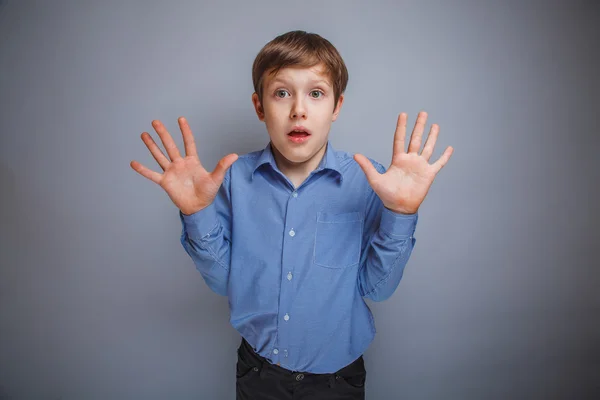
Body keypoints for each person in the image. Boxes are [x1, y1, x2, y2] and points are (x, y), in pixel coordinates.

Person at [130, 30, 453, 400]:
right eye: (282, 93)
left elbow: (378, 289)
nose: (299, 108)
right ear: (259, 106)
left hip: (337, 381)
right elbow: (225, 282)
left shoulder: (369, 182)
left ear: (336, 106)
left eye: (316, 93)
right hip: (258, 372)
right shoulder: (234, 179)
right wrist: (196, 212)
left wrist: (401, 212)